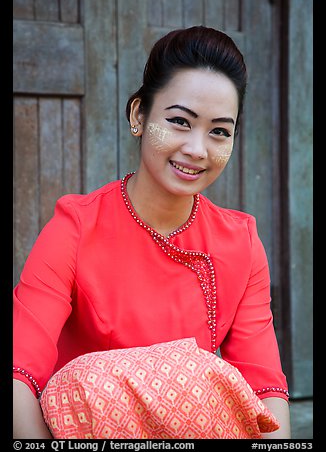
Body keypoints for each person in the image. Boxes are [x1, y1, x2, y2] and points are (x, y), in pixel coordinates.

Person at [13, 25, 291, 439]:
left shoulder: (242, 244)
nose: (198, 149)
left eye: (219, 130)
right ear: (138, 115)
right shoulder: (74, 228)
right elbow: (19, 374)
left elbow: (266, 390)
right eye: (180, 121)